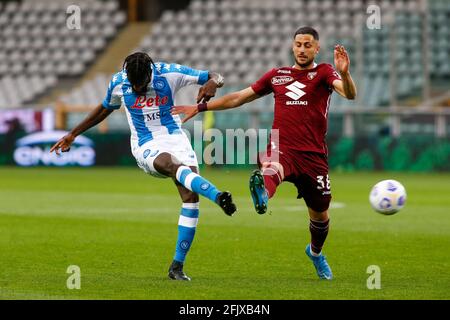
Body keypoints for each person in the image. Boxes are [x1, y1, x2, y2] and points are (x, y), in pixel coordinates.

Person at [172, 27, 357, 280]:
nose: (302, 49)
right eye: (298, 44)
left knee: (321, 216)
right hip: (283, 147)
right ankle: (264, 193)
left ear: (316, 48)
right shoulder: (277, 76)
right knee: (272, 166)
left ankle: (315, 253)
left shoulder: (324, 72)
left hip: (313, 157)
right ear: (293, 47)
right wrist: (201, 106)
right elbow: (239, 97)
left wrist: (345, 74)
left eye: (307, 45)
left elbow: (349, 94)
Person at [50, 52, 237, 281]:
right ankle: (217, 195)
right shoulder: (119, 82)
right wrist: (72, 134)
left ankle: (176, 267)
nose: (138, 88)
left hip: (176, 137)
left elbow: (216, 76)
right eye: (134, 83)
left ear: (150, 73)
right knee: (171, 164)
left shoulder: (168, 73)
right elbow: (104, 108)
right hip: (145, 143)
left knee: (190, 198)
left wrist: (212, 83)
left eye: (142, 83)